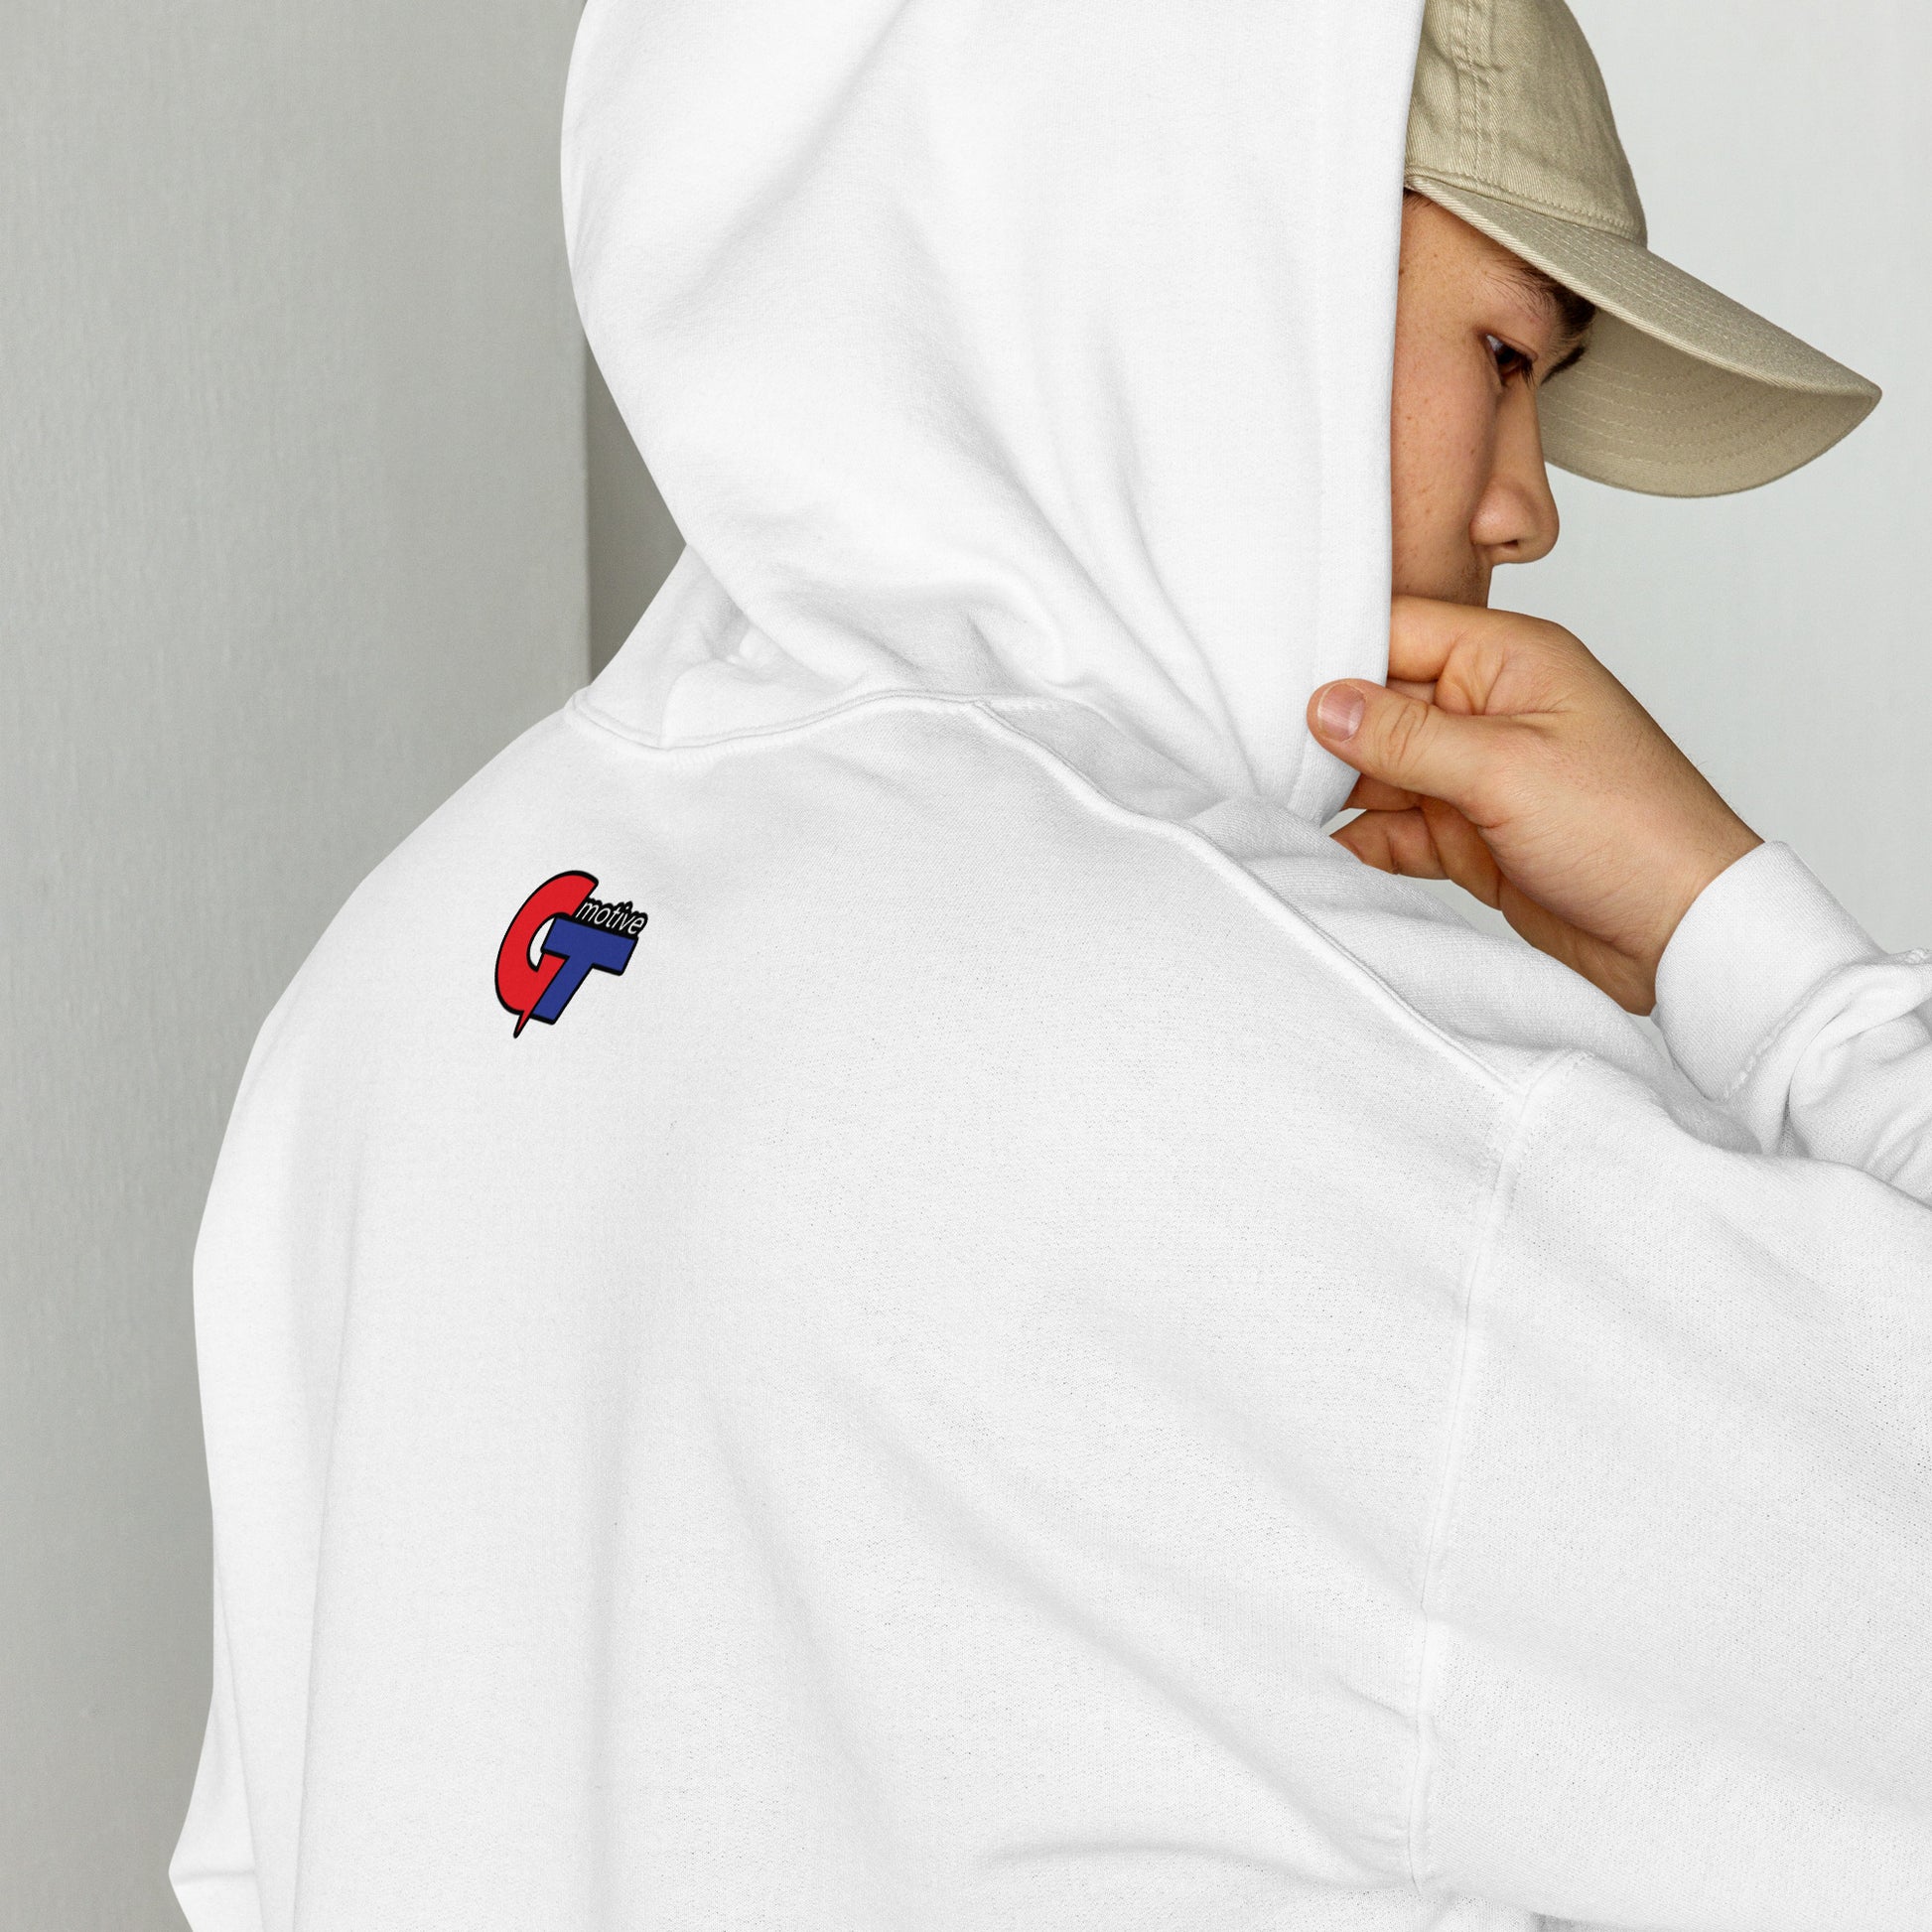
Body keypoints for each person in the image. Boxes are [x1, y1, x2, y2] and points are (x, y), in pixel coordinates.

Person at [171, 0, 1931, 1927]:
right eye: (1504, 356)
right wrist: (1741, 945)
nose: (1529, 504)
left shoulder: (388, 986)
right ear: (1205, 242)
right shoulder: (1310, 1077)